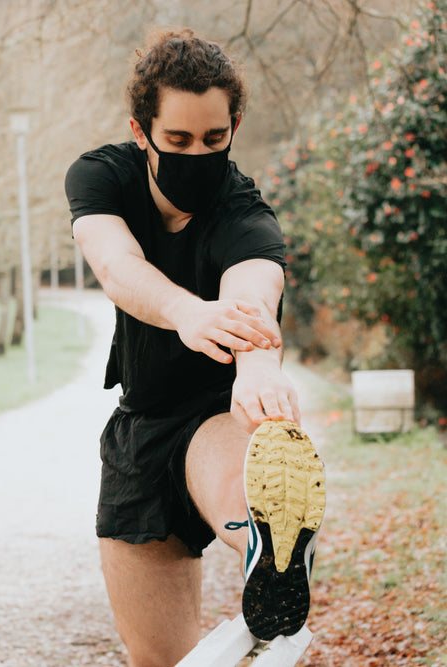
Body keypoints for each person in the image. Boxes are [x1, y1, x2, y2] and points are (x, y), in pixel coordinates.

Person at [64, 29, 326, 666]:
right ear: (141, 128)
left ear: (235, 125)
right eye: (177, 140)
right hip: (140, 427)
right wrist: (186, 311)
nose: (197, 154)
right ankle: (266, 545)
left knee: (237, 461)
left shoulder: (246, 216)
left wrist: (258, 368)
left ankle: (271, 543)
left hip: (218, 418)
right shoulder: (101, 177)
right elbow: (114, 261)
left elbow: (255, 292)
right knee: (157, 659)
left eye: (215, 139)